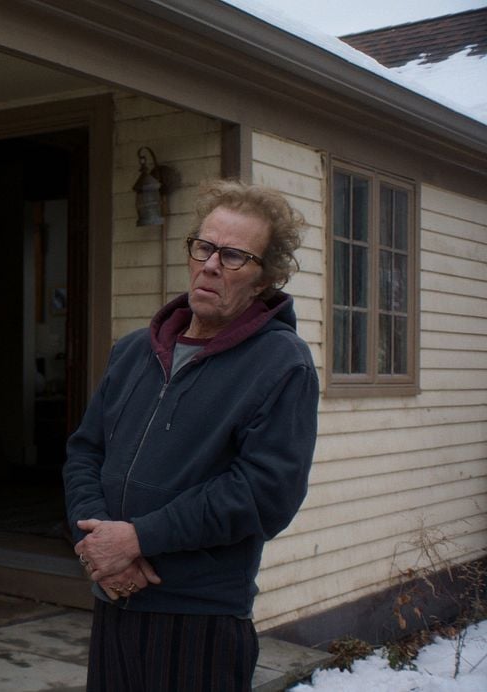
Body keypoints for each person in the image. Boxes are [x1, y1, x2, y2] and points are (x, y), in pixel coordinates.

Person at [63, 179, 319, 691]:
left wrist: (139, 538)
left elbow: (265, 493)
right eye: (204, 247)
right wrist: (98, 543)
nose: (211, 265)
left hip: (200, 620)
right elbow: (85, 452)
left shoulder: (281, 363)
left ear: (265, 279)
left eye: (234, 256)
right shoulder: (133, 351)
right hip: (114, 600)